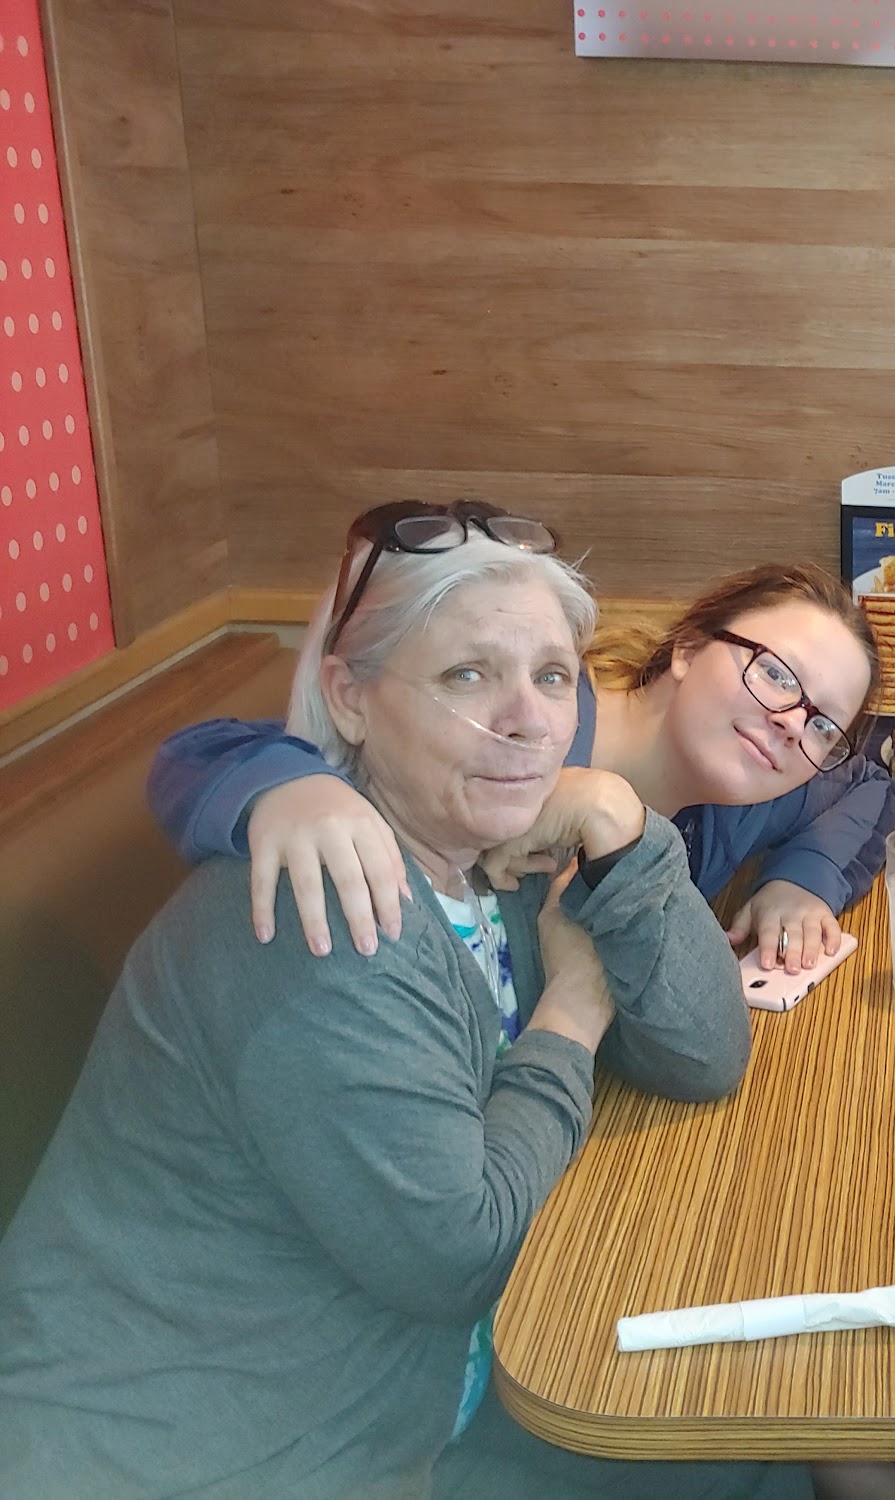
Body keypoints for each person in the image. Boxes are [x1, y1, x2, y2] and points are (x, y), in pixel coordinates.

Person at [0, 501, 803, 1499]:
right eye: (467, 674)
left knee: (743, 1445)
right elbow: (457, 1258)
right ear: (350, 698)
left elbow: (706, 1052)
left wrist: (617, 817)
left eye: (552, 677)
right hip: (234, 1449)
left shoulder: (490, 850)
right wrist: (571, 1013)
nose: (526, 719)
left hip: (424, 1383)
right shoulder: (318, 913)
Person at [148, 542, 894, 978]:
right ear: (689, 649)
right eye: (775, 673)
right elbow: (197, 755)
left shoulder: (742, 792)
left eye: (823, 723)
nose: (790, 723)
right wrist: (294, 787)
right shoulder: (520, 733)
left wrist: (802, 883)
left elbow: (869, 787)